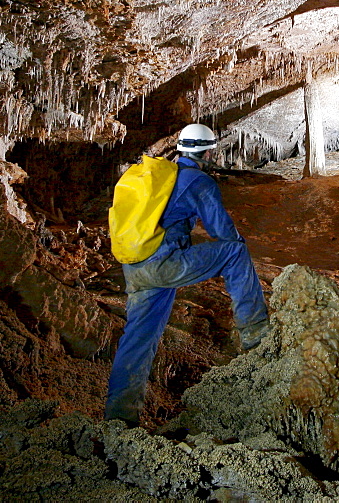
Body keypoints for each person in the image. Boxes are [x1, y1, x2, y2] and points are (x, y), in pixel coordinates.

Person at [105, 123, 270, 424]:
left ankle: (119, 420)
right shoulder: (198, 181)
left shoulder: (162, 177)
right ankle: (256, 336)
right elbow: (223, 233)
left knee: (139, 340)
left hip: (135, 267)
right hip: (163, 263)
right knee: (235, 252)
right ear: (208, 151)